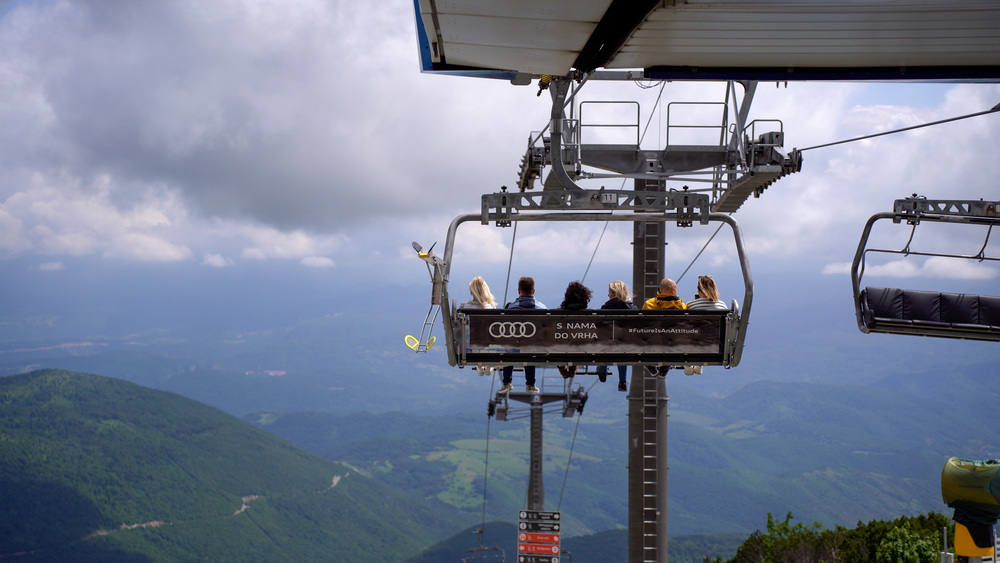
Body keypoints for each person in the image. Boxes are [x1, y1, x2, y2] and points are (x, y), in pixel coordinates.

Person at [499, 276, 547, 394]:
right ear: (533, 291)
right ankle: (530, 384)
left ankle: (507, 382)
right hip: (535, 349)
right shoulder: (542, 308)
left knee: (509, 344)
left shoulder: (511, 308)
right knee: (530, 346)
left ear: (519, 290)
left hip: (514, 349)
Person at [684, 275, 728, 375]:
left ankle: (688, 365)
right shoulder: (722, 306)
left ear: (699, 291)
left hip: (695, 344)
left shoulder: (691, 305)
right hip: (717, 346)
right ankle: (699, 364)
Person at [642, 277, 686, 378]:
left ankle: (650, 365)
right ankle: (664, 368)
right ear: (673, 290)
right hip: (672, 345)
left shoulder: (649, 304)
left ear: (660, 290)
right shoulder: (681, 307)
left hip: (651, 344)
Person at [597, 280, 635, 391]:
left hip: (608, 344)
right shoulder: (632, 309)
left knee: (606, 344)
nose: (608, 295)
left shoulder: (606, 308)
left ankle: (602, 369)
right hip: (627, 345)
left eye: (609, 292)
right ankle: (622, 380)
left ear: (613, 294)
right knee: (622, 349)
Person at [459, 276, 498, 376]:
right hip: (488, 348)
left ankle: (480, 366)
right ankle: (488, 366)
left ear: (471, 292)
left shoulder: (464, 308)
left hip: (469, 349)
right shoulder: (491, 308)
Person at [556, 281, 592, 379]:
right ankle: (572, 367)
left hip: (560, 352)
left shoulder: (557, 314)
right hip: (583, 352)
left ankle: (562, 367)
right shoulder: (590, 314)